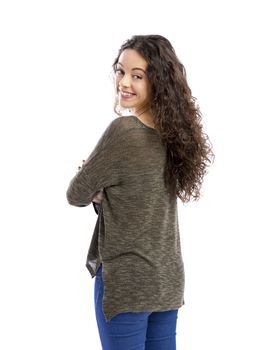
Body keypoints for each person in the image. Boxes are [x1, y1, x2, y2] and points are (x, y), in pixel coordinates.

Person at [66, 34, 214, 350]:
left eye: (137, 75)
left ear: (157, 82)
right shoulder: (176, 137)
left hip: (128, 284)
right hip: (167, 280)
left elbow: (76, 193)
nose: (124, 82)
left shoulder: (123, 132)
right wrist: (103, 189)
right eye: (120, 71)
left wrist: (95, 187)